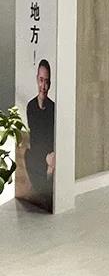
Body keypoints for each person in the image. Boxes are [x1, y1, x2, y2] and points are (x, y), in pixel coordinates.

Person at [25, 59, 55, 197]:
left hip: (51, 154)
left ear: (50, 84)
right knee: (28, 155)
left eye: (46, 81)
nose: (43, 86)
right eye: (41, 80)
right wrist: (46, 159)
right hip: (38, 154)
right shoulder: (31, 106)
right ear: (37, 79)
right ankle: (42, 188)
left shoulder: (53, 108)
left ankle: (46, 188)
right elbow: (35, 139)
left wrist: (51, 158)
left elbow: (53, 137)